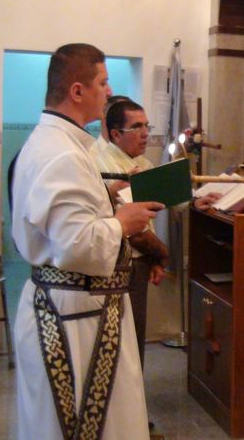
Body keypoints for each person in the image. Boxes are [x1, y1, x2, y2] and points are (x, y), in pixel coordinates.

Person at [11, 43, 164, 439]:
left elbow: (64, 223)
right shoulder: (62, 154)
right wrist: (122, 223)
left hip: (78, 310)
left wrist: (105, 198)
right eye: (103, 82)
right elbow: (77, 244)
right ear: (77, 91)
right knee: (86, 427)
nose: (109, 92)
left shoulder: (56, 144)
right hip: (76, 319)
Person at [91, 99, 168, 370]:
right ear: (115, 133)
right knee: (122, 343)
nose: (145, 133)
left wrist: (154, 259)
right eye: (137, 127)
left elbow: (162, 204)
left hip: (141, 259)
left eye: (147, 126)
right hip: (119, 263)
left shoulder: (142, 163)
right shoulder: (98, 162)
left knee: (135, 337)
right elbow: (127, 228)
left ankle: (134, 398)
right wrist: (162, 253)